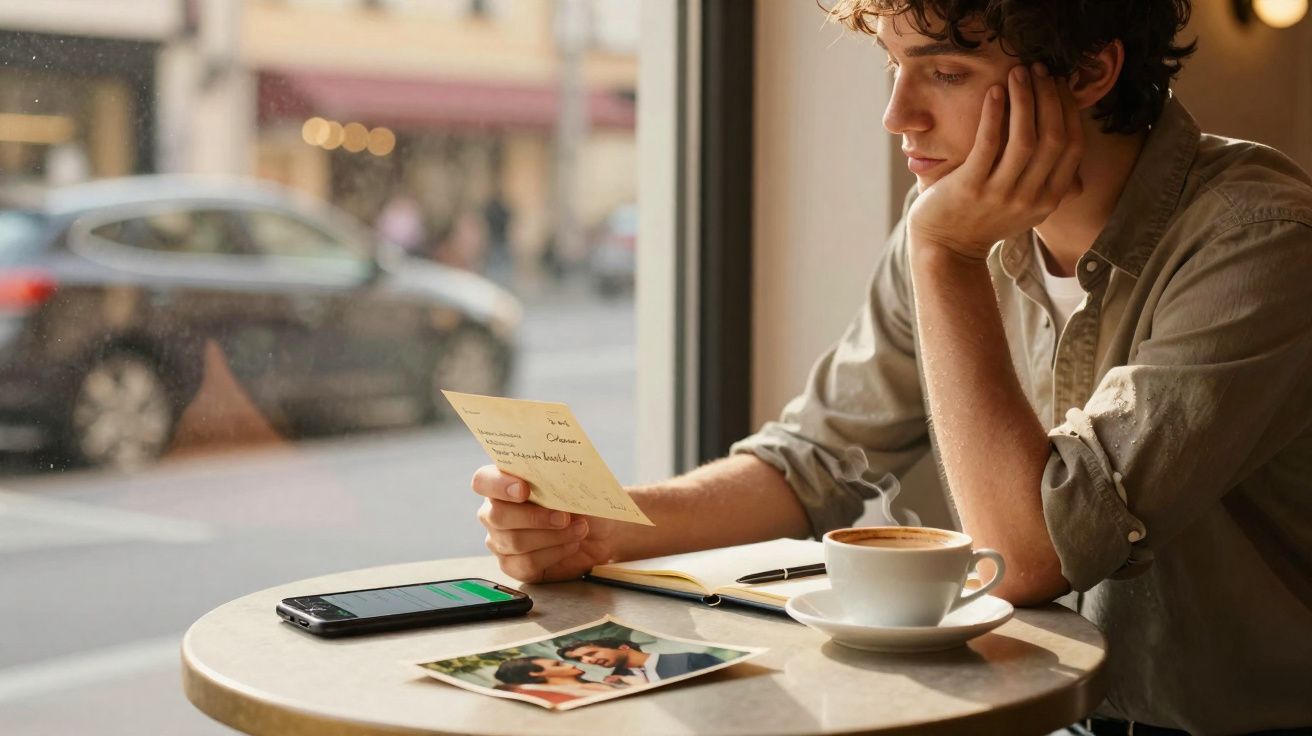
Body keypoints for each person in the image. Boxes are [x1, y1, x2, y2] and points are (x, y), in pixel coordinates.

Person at [470, 1, 1312, 733]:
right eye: (892, 65)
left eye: (943, 70)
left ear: (1091, 70)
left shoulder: (1257, 240)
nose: (898, 114)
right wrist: (605, 524)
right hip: (1029, 716)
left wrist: (945, 259)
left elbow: (1028, 558)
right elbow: (816, 461)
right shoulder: (948, 219)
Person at [556, 638, 724, 683]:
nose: (587, 661)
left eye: (591, 653)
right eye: (580, 659)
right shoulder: (615, 682)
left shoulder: (690, 659)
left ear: (623, 647)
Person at [492, 657, 624, 701]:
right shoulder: (558, 696)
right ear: (535, 673)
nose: (571, 664)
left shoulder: (607, 681)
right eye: (558, 665)